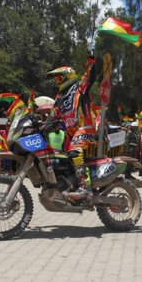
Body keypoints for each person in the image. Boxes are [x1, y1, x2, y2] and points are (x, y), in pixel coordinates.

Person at [46, 59, 97, 202]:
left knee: (74, 152)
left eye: (59, 78)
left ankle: (85, 188)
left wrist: (92, 63)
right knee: (59, 158)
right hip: (70, 133)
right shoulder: (59, 97)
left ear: (67, 77)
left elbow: (90, 77)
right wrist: (42, 126)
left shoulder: (79, 88)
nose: (57, 81)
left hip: (85, 127)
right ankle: (68, 186)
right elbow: (52, 115)